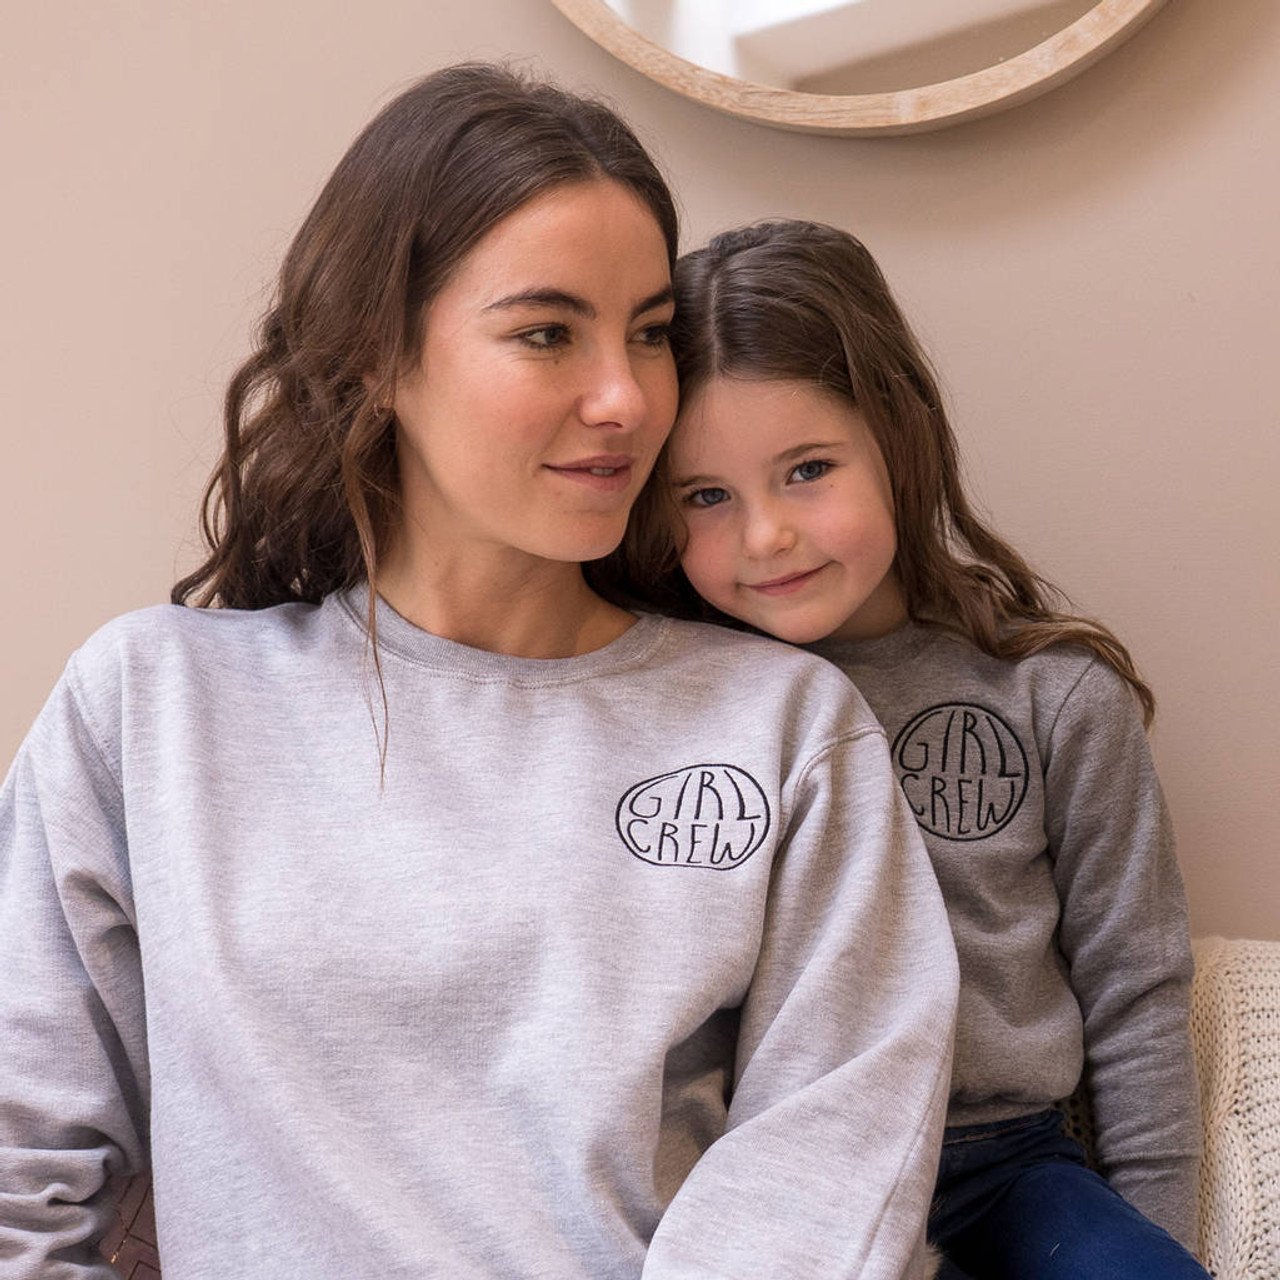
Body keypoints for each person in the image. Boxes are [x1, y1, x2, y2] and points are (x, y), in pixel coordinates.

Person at [0, 71, 959, 1279]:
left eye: (651, 333)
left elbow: (829, 1159)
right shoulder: (153, 707)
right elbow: (18, 1165)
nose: (625, 398)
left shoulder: (780, 725)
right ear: (377, 357)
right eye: (547, 331)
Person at [615, 218, 1210, 1279]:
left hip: (1007, 1169)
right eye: (705, 495)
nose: (764, 535)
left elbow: (1135, 989)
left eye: (805, 468)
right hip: (777, 1176)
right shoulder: (663, 705)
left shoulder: (1052, 694)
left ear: (898, 439)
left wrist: (1157, 1238)